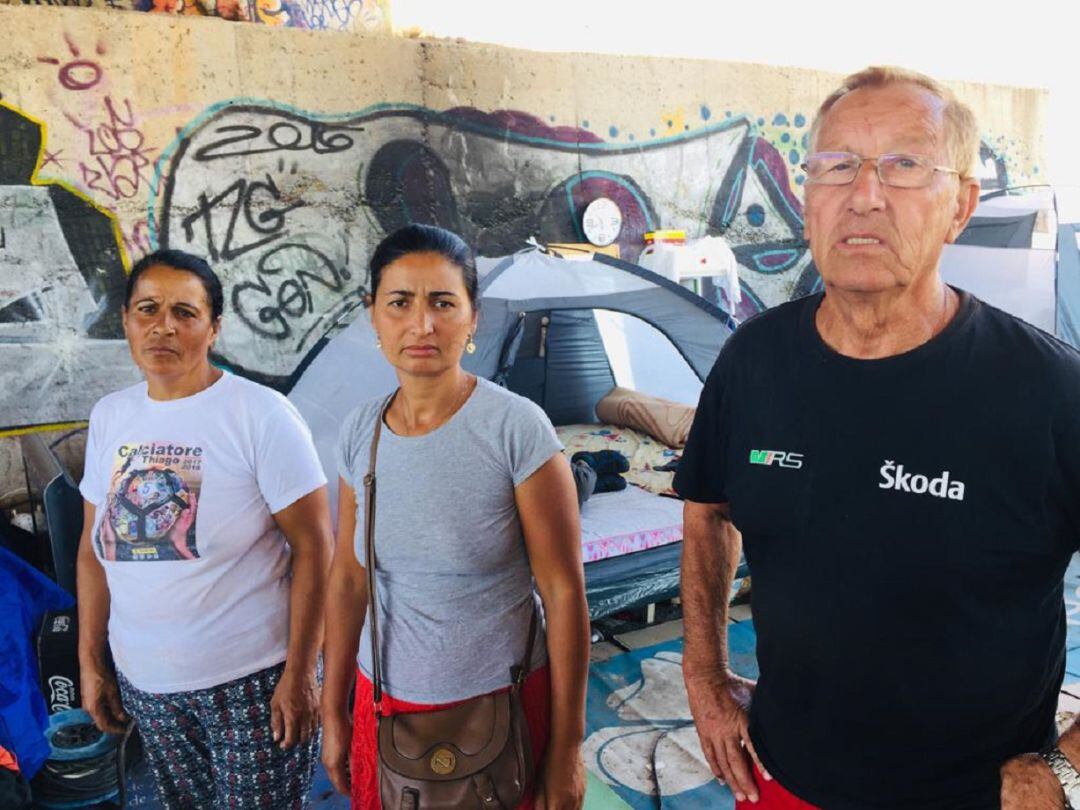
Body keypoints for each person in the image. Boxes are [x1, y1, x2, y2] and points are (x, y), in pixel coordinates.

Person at [676, 66, 1080, 810]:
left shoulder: (1050, 390)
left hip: (976, 797)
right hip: (782, 777)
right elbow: (707, 508)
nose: (864, 196)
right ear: (807, 199)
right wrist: (703, 673)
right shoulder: (752, 362)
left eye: (904, 166)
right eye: (836, 167)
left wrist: (1067, 767)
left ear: (960, 206)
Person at [320, 224, 590, 809]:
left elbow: (564, 593)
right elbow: (347, 576)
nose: (422, 324)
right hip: (383, 702)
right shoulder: (358, 431)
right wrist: (332, 708)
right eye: (400, 303)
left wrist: (568, 749)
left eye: (443, 302)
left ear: (472, 319)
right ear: (374, 316)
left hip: (500, 704)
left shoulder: (516, 430)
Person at [77, 249, 332, 809]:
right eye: (147, 308)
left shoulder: (259, 415)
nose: (163, 325)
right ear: (125, 320)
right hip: (149, 684)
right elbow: (93, 552)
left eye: (185, 312)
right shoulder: (111, 417)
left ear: (214, 327)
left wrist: (301, 673)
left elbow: (316, 547)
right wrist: (91, 660)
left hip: (252, 682)